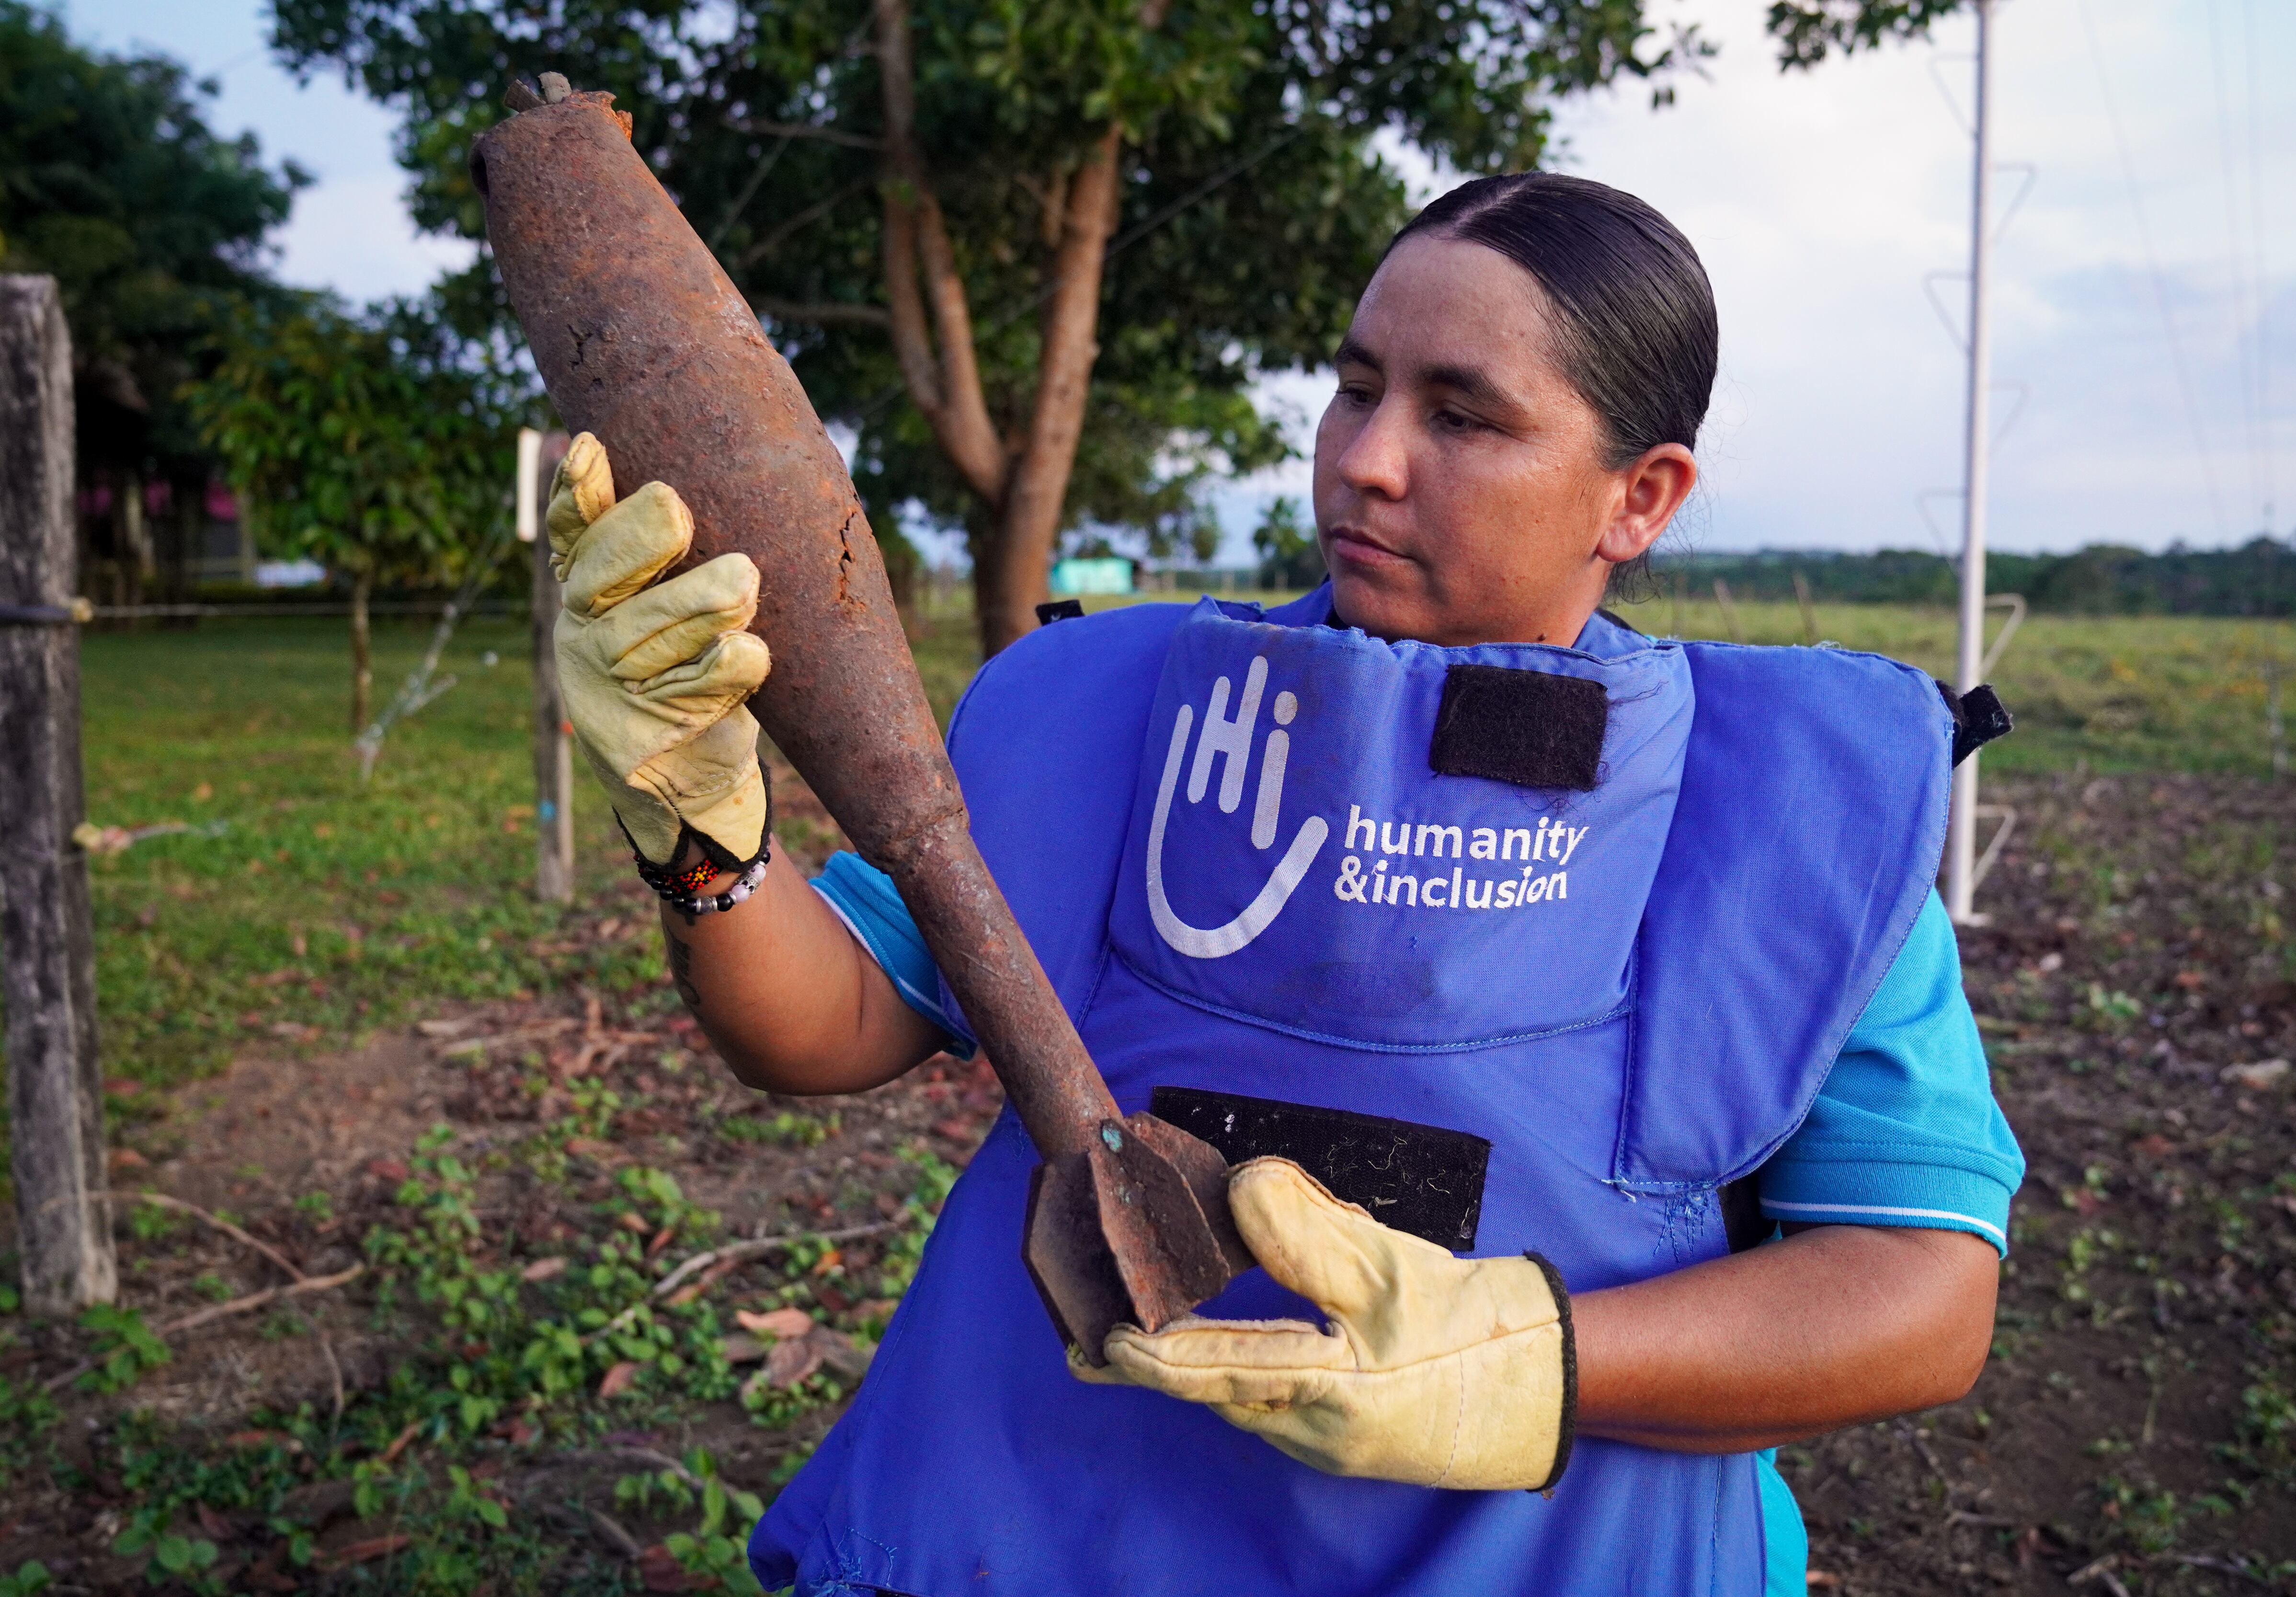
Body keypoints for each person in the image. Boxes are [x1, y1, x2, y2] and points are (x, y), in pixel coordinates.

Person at [545, 172, 2024, 1597]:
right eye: (1358, 385)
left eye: (1464, 415)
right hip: (1043, 1524)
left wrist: (1531, 1358)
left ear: (1638, 498)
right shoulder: (1109, 706)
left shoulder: (1789, 814)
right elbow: (833, 1024)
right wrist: (704, 838)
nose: (1367, 458)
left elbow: (1921, 1294)